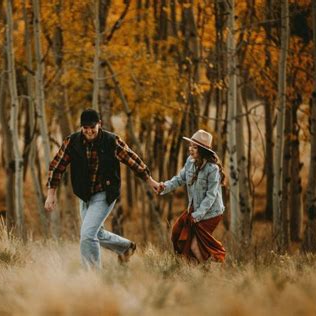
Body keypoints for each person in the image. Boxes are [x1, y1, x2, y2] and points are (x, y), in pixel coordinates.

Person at [45, 109, 162, 269]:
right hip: (84, 194)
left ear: (99, 124)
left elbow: (132, 160)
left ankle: (92, 277)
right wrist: (51, 194)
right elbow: (57, 166)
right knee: (95, 233)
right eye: (85, 128)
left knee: (87, 235)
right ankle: (125, 248)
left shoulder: (111, 141)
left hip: (105, 193)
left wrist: (151, 181)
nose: (89, 131)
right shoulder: (72, 142)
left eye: (92, 127)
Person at [158, 129, 226, 263]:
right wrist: (164, 187)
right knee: (176, 232)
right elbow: (179, 179)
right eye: (190, 146)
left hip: (211, 213)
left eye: (195, 147)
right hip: (194, 210)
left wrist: (197, 215)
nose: (191, 149)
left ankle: (207, 271)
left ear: (203, 150)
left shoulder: (212, 169)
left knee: (195, 245)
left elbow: (211, 196)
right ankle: (192, 266)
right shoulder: (190, 161)